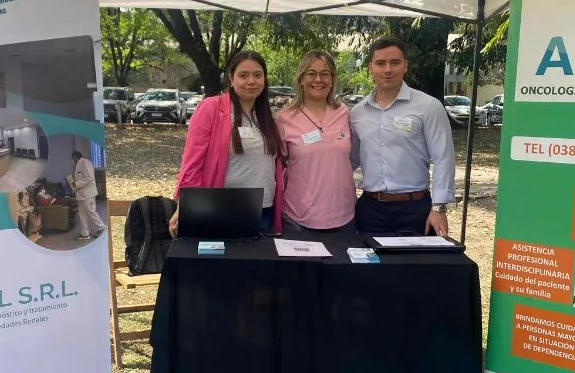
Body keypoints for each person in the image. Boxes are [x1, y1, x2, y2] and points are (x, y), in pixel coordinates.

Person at [349, 37, 456, 236]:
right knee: (370, 267)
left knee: (415, 267)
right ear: (370, 68)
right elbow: (350, 160)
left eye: (395, 62)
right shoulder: (357, 113)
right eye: (380, 63)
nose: (388, 69)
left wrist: (439, 208)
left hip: (416, 210)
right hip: (371, 211)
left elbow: (444, 157)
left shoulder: (428, 106)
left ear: (406, 65)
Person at [170, 51, 284, 235]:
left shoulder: (266, 116)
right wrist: (186, 203)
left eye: (257, 75)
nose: (251, 81)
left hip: (265, 209)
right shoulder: (211, 108)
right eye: (243, 75)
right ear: (231, 79)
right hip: (223, 209)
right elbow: (192, 162)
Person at [275, 50, 356, 232]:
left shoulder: (345, 114)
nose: (318, 80)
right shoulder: (285, 119)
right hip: (298, 218)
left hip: (344, 216)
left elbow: (354, 157)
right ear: (301, 79)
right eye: (311, 73)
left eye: (325, 74)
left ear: (333, 79)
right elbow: (279, 164)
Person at [72, 150, 106, 240]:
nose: (72, 161)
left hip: (88, 194)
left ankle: (102, 227)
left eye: (73, 159)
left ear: (75, 157)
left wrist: (76, 184)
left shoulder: (85, 163)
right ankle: (84, 234)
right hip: (81, 195)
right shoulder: (78, 165)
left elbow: (89, 178)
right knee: (82, 214)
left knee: (91, 212)